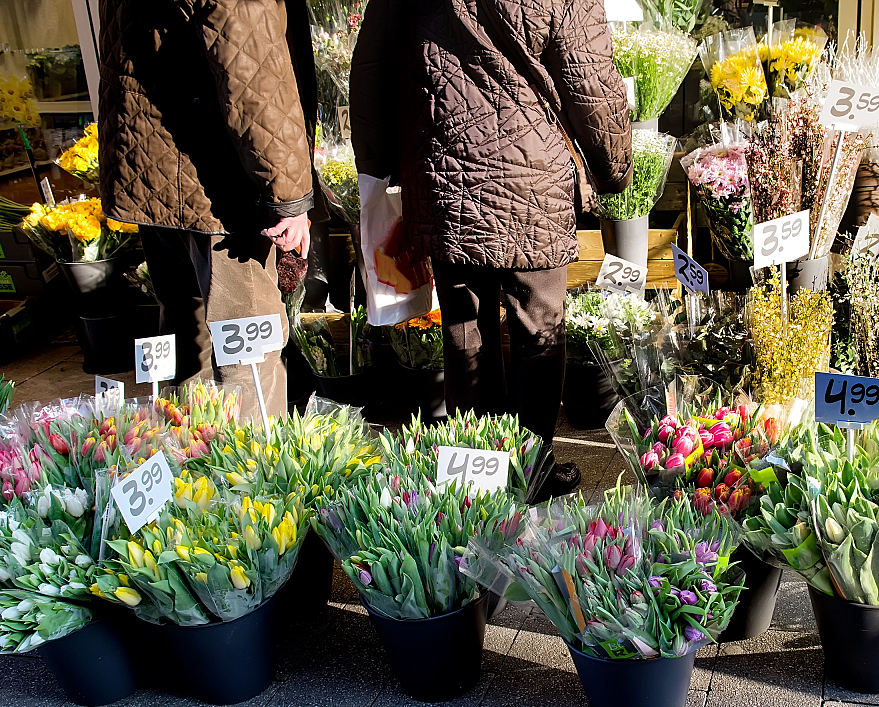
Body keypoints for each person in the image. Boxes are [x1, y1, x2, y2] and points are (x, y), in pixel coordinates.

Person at [350, 0, 633, 495]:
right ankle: (532, 468)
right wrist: (614, 166)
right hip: (532, 175)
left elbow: (371, 64)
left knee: (464, 326)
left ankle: (481, 474)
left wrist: (380, 167)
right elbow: (590, 79)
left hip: (443, 172)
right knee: (539, 323)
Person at [98, 0, 319, 420]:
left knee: (187, 333)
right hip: (219, 179)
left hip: (154, 166)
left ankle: (191, 472)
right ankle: (252, 478)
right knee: (247, 355)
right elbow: (251, 63)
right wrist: (287, 193)